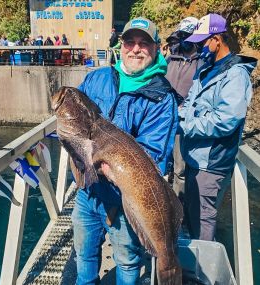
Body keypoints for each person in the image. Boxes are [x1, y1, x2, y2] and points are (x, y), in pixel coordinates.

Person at [72, 17, 178, 284]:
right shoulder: (96, 79)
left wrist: (111, 167)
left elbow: (153, 156)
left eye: (144, 43)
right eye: (130, 41)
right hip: (88, 192)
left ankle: (168, 266)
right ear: (120, 45)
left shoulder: (162, 98)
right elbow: (77, 122)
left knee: (128, 263)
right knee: (83, 256)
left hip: (126, 200)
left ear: (157, 49)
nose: (136, 49)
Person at [179, 13, 257, 241]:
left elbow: (225, 120)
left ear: (217, 39)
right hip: (194, 157)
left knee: (203, 221)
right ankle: (193, 269)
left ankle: (203, 274)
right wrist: (180, 115)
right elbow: (189, 102)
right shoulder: (205, 68)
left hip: (211, 163)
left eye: (203, 41)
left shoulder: (236, 75)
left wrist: (185, 124)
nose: (199, 46)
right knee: (193, 216)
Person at [164, 17, 204, 204]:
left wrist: (186, 107)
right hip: (164, 116)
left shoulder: (202, 62)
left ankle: (177, 208)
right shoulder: (170, 57)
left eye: (188, 35)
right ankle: (160, 203)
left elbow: (203, 94)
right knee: (161, 161)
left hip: (184, 120)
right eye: (181, 35)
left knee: (180, 169)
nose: (184, 39)